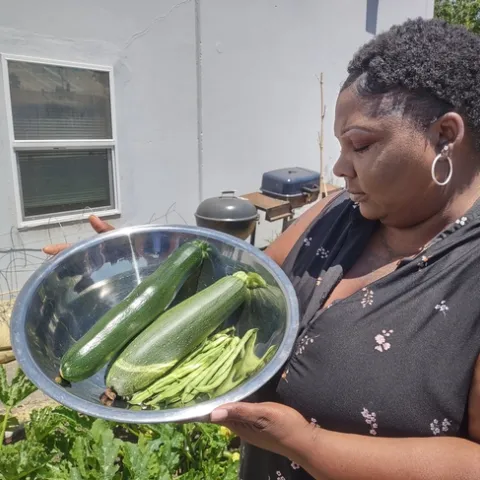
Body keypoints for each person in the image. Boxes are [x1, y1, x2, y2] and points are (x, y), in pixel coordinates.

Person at [44, 17, 480, 479]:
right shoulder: (339, 212)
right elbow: (241, 284)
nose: (340, 167)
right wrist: (137, 265)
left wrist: (305, 444)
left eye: (360, 145)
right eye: (339, 146)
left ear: (445, 136)